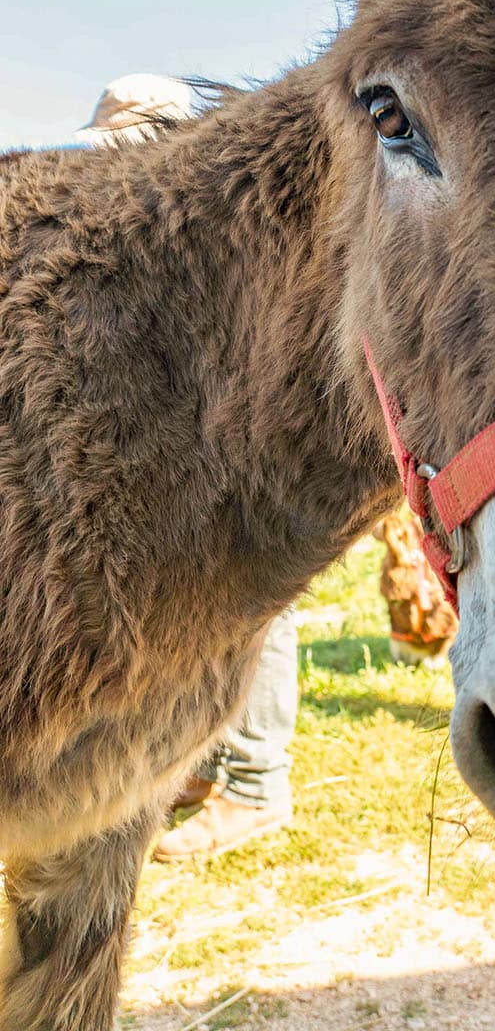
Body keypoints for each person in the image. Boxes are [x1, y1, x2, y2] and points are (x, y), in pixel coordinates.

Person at [73, 75, 299, 856]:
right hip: (179, 464)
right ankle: (195, 768)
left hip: (247, 465)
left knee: (258, 609)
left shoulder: (239, 235)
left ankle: (256, 785)